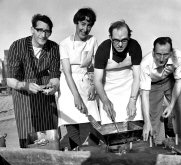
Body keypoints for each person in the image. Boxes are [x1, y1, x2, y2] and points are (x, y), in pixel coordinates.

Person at [7, 14, 61, 148]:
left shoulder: (53, 47)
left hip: (45, 96)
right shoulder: (18, 46)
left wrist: (53, 87)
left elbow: (54, 76)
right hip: (23, 97)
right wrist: (25, 86)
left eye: (47, 31)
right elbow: (10, 80)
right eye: (39, 30)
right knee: (28, 137)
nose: (43, 35)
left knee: (48, 136)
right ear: (32, 29)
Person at [57, 7, 100, 150]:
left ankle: (93, 152)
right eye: (83, 24)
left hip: (86, 81)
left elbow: (95, 65)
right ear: (76, 23)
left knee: (93, 119)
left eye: (89, 25)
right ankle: (77, 152)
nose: (85, 29)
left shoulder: (93, 40)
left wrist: (94, 85)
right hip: (69, 85)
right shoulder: (64, 44)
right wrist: (76, 96)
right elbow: (67, 72)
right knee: (72, 119)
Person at [94, 20, 143, 125]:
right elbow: (97, 81)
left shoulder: (134, 46)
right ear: (110, 38)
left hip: (130, 89)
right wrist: (105, 101)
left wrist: (132, 100)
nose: (120, 44)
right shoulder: (103, 49)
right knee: (111, 127)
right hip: (108, 90)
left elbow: (137, 77)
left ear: (129, 37)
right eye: (116, 40)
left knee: (134, 124)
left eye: (124, 40)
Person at [140, 37, 181, 144]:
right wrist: (147, 122)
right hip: (153, 85)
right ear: (153, 52)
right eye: (158, 54)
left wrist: (171, 105)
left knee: (178, 109)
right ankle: (158, 144)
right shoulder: (145, 63)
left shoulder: (178, 56)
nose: (161, 59)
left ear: (171, 53)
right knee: (154, 116)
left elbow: (179, 81)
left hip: (170, 80)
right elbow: (145, 94)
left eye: (165, 54)